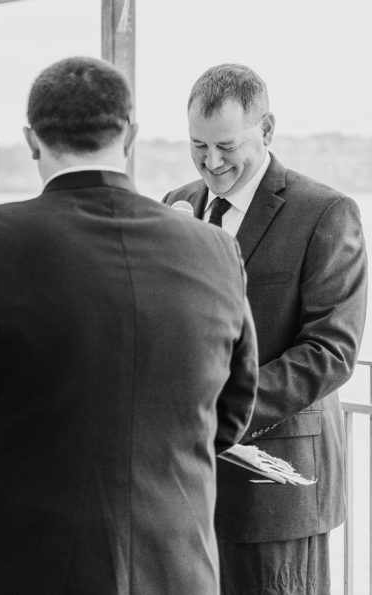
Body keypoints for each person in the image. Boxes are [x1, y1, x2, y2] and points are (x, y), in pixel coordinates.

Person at [0, 56, 260, 594]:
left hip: (7, 563)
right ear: (129, 134)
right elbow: (231, 411)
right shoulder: (215, 250)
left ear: (31, 139)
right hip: (169, 568)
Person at [163, 63, 368, 594]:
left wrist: (220, 415)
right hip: (180, 488)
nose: (211, 162)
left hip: (277, 482)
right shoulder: (174, 205)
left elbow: (331, 351)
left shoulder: (325, 212)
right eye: (198, 145)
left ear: (267, 130)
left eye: (226, 147)